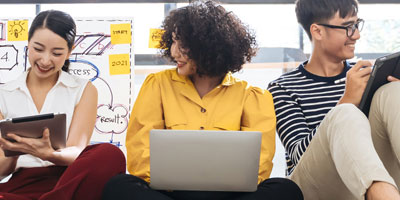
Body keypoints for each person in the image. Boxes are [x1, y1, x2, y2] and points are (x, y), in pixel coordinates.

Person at [102, 1, 303, 200]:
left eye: (183, 45)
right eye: (172, 42)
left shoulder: (253, 96)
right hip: (169, 193)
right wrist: (178, 181)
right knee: (119, 186)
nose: (173, 52)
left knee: (285, 190)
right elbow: (140, 154)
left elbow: (259, 166)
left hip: (229, 195)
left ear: (208, 47)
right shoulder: (157, 85)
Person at [267, 0, 400, 199]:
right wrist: (346, 101)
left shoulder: (366, 75)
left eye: (357, 24)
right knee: (345, 113)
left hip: (366, 176)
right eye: (348, 27)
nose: (356, 34)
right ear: (318, 31)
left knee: (393, 91)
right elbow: (297, 155)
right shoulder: (282, 87)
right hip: (313, 186)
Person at [0, 10, 125, 200]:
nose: (45, 60)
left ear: (69, 52)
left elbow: (76, 150)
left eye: (56, 53)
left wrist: (50, 154)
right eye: (38, 49)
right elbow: (1, 169)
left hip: (69, 180)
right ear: (28, 44)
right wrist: (15, 152)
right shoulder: (3, 94)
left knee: (111, 154)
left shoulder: (84, 89)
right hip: (21, 185)